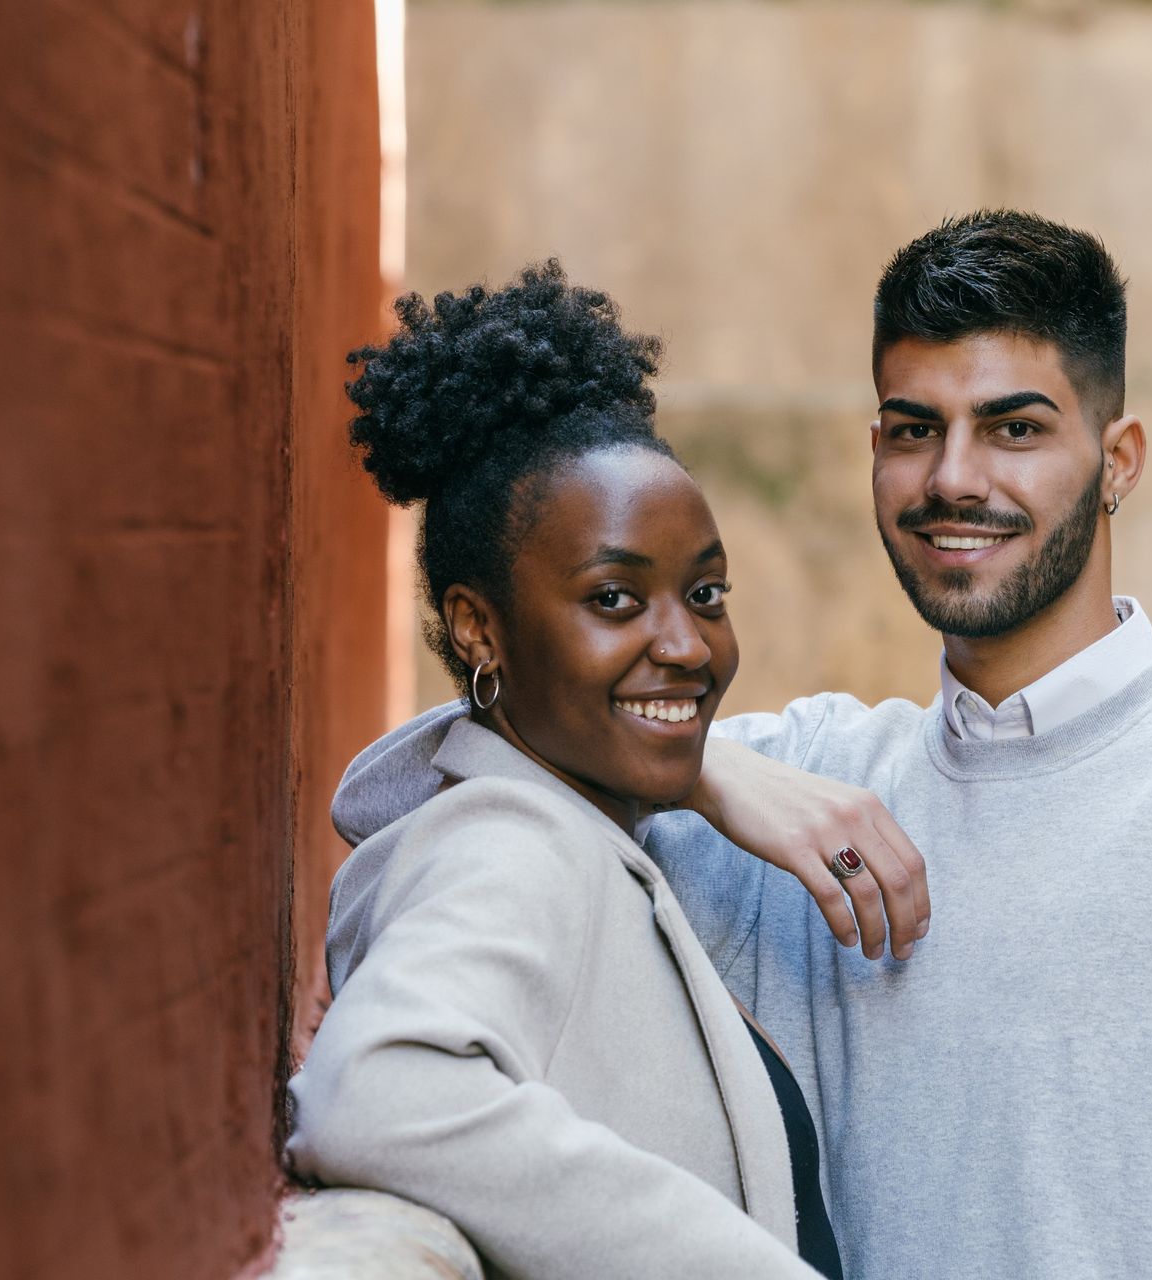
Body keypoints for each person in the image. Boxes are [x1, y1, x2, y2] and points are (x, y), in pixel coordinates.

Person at [340, 212, 1152, 1277]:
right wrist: (718, 773)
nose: (954, 477)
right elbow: (418, 787)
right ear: (875, 448)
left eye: (1016, 428)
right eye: (916, 430)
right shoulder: (815, 786)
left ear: (1118, 460)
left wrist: (703, 763)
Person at [286, 263, 842, 1279]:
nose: (688, 643)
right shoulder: (511, 840)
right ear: (478, 626)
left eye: (706, 591)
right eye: (616, 599)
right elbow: (371, 1086)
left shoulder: (582, 825)